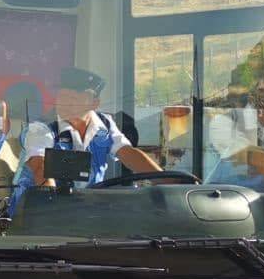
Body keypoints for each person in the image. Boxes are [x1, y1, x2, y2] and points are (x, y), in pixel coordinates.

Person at [12, 66, 161, 211]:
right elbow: (40, 167)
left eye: (73, 98)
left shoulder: (105, 124)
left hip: (82, 211)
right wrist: (54, 209)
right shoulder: (41, 128)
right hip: (33, 212)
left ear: (94, 103)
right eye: (62, 96)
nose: (64, 103)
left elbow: (128, 153)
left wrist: (166, 181)